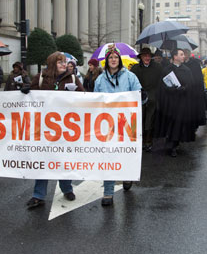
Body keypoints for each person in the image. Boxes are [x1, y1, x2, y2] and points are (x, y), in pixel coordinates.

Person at [25, 52, 84, 209]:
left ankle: (67, 188)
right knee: (43, 160)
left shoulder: (72, 78)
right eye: (60, 62)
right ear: (52, 64)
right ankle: (38, 195)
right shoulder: (41, 77)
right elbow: (31, 98)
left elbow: (83, 97)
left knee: (64, 159)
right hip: (45, 128)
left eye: (64, 62)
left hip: (65, 128)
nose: (64, 64)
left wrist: (75, 95)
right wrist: (26, 92)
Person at [94, 44, 142, 206]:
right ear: (106, 60)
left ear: (120, 60)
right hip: (107, 124)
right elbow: (94, 101)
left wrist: (142, 96)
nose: (113, 60)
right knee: (108, 156)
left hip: (127, 123)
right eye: (110, 57)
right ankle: (108, 192)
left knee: (126, 153)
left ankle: (127, 175)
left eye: (116, 57)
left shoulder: (130, 77)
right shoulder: (100, 80)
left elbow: (139, 97)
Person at [154, 48, 197, 157]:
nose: (183, 56)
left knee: (179, 123)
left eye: (183, 54)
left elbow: (191, 84)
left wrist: (184, 88)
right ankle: (169, 141)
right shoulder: (167, 69)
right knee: (170, 122)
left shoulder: (187, 70)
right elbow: (162, 85)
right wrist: (171, 89)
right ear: (175, 56)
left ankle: (174, 145)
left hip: (182, 101)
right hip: (170, 101)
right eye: (181, 54)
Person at [130, 47, 162, 152]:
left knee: (150, 119)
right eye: (145, 56)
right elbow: (132, 82)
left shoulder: (157, 67)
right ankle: (141, 140)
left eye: (148, 56)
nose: (147, 58)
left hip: (152, 96)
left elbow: (161, 81)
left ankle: (148, 141)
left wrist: (156, 93)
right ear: (141, 57)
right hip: (139, 96)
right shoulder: (135, 68)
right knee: (140, 119)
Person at [182, 48, 207, 130]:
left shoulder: (195, 64)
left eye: (185, 54)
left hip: (194, 90)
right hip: (184, 91)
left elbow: (198, 77)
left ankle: (193, 125)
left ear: (188, 55)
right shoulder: (181, 64)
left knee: (193, 109)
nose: (184, 56)